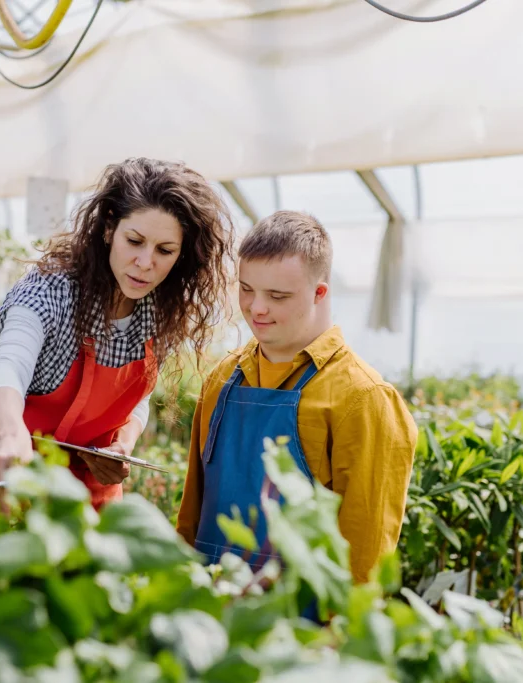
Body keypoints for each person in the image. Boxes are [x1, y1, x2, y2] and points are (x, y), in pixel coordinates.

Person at [0, 157, 234, 510]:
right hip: (8, 481)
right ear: (108, 228)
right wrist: (10, 435)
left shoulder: (157, 312)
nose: (146, 262)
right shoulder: (51, 291)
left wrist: (123, 443)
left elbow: (139, 400)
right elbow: (8, 364)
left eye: (165, 250)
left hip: (86, 506)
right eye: (134, 241)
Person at [175, 210, 417, 585]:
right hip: (209, 609)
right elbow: (192, 515)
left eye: (277, 295)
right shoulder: (221, 379)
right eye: (247, 289)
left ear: (320, 293)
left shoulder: (363, 399)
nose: (256, 308)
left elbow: (367, 553)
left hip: (301, 628)